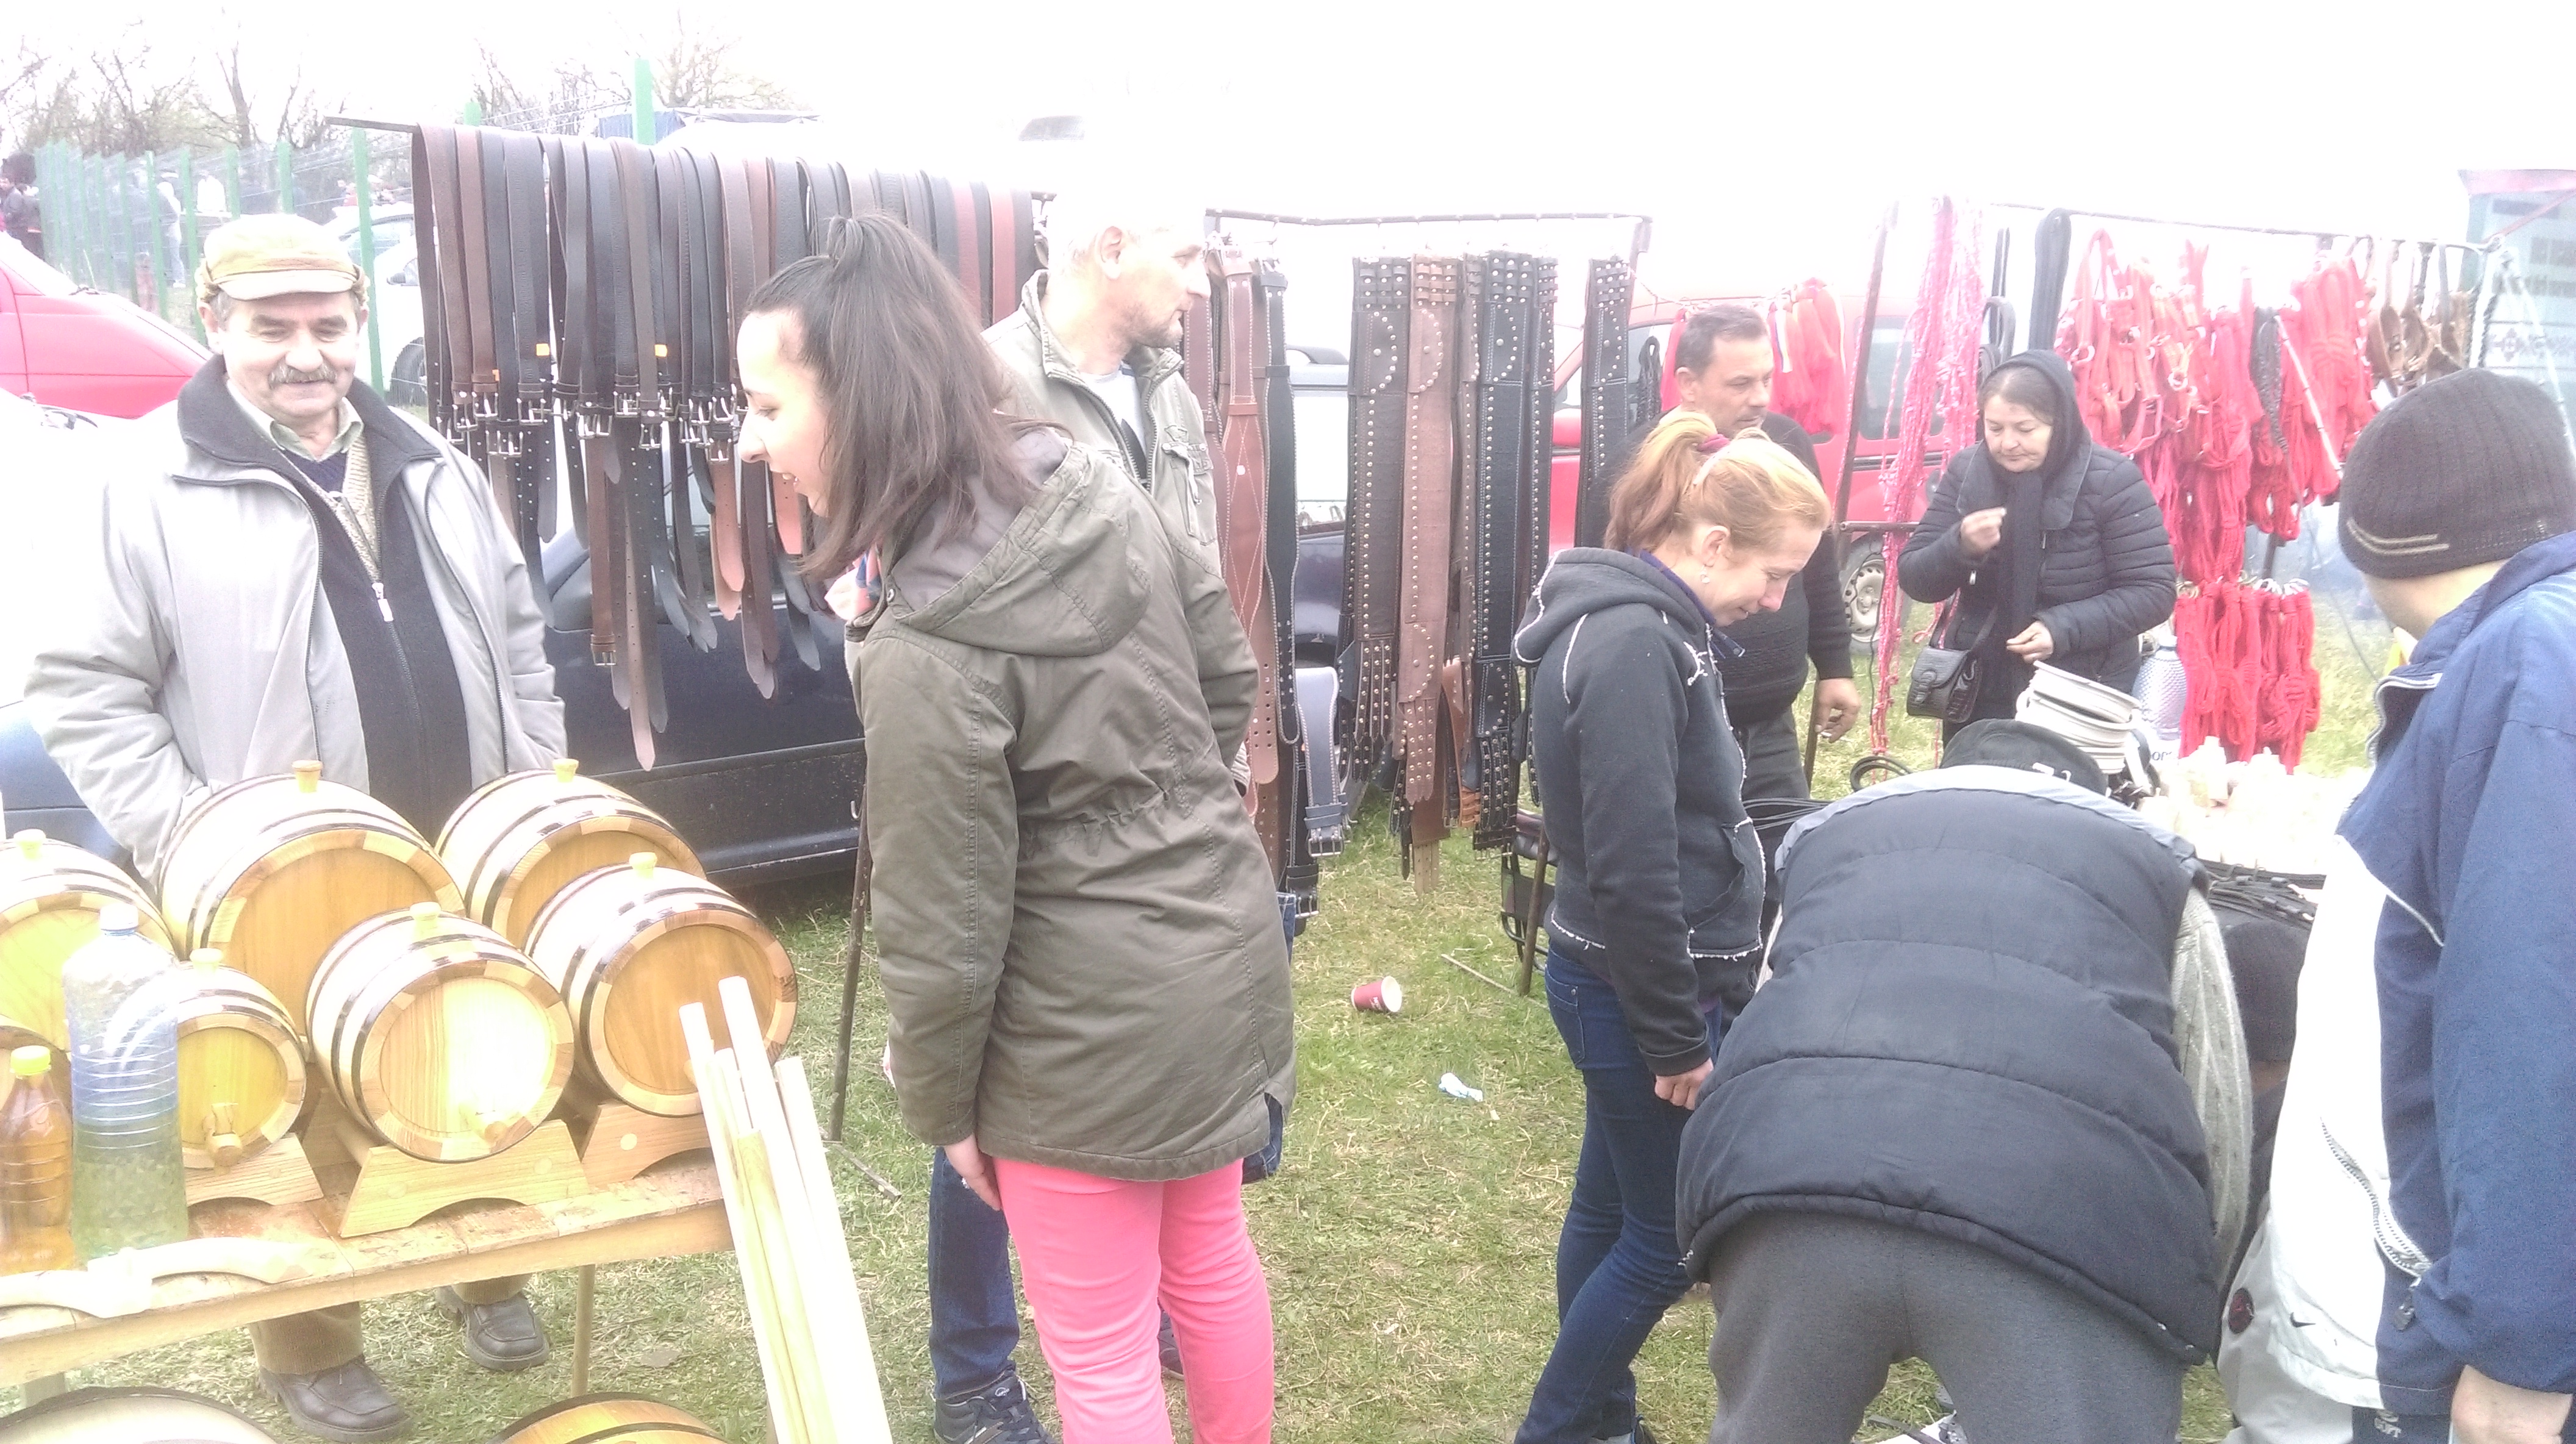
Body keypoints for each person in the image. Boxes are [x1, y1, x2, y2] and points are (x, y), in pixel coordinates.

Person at [734, 213, 1292, 1444]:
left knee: (1100, 1349)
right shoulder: (1084, 476)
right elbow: (1224, 671)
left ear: (860, 400)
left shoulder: (925, 638)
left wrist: (944, 1110)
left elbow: (943, 922)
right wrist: (1163, 810)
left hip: (1081, 1024)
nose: (751, 440)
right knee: (1210, 1260)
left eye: (768, 407)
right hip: (1215, 949)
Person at [21, 213, 563, 1443]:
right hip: (273, 873)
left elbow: (520, 632)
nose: (305, 354)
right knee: (296, 1102)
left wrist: (527, 774)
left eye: (327, 324)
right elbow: (82, 684)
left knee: (473, 1046)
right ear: (216, 325)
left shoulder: (429, 457)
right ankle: (313, 1341)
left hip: (454, 838)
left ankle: (487, 1272)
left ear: (358, 322)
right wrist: (192, 835)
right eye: (272, 328)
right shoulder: (142, 480)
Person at [871, 186, 1222, 1444]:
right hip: (1021, 798)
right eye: (1186, 252)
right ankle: (975, 1367)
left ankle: (1154, 1295)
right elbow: (918, 592)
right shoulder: (979, 382)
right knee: (986, 1081)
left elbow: (1196, 577)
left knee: (1153, 1069)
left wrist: (1209, 744)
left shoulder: (1169, 393)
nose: (1203, 280)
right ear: (1108, 245)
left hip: (1150, 779)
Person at [1676, 719, 2250, 1444]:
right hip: (2064, 1215)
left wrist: (1715, 1224)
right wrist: (2188, 1285)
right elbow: (2217, 1108)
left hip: (1795, 1188)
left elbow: (1772, 1030)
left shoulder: (1831, 843)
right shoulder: (2156, 871)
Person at [2220, 369, 2576, 1444]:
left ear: (2377, 542)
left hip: (2450, 1314)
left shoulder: (2525, 669)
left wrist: (2518, 1347)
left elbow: (2529, 1019)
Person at [1506, 413, 1828, 1444]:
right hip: (1638, 986)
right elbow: (1632, 864)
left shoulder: (1647, 626)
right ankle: (1558, 1430)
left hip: (1622, 975)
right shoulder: (1636, 645)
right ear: (1712, 542)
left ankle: (1599, 1422)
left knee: (1609, 1211)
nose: (1774, 601)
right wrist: (1675, 1038)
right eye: (1774, 575)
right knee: (1663, 1240)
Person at [1897, 348, 2176, 731]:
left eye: (2025, 429)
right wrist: (1958, 547)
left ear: (2059, 423)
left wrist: (2061, 629)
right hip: (1980, 682)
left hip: (2082, 685)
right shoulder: (1968, 471)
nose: (2007, 443)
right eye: (1995, 428)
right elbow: (1915, 579)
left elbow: (2152, 592)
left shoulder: (2112, 481)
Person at [1659, 305, 1861, 787]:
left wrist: (1835, 667)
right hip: (1682, 729)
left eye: (1767, 379)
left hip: (1772, 728)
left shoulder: (1786, 444)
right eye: (1741, 383)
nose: (1761, 398)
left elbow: (1817, 567)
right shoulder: (1649, 463)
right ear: (1688, 383)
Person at [984, 185, 1215, 547]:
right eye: (1184, 259)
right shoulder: (981, 387)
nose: (1203, 288)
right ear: (1113, 252)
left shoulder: (1171, 390)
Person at [0, 153, 43, 261]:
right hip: (21, 228)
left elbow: (16, 211)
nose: (2, 185)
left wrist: (6, 218)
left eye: (4, 182)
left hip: (19, 228)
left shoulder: (14, 195)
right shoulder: (11, 195)